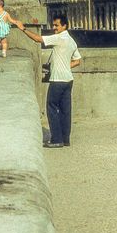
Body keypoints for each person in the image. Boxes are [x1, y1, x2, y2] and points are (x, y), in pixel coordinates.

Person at [15, 15, 82, 148]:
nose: (54, 28)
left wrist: (23, 29)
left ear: (64, 26)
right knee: (65, 110)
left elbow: (38, 39)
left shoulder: (59, 38)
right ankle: (65, 139)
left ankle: (56, 139)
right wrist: (64, 66)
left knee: (51, 107)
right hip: (68, 79)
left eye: (57, 25)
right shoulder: (71, 40)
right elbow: (78, 61)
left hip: (57, 80)